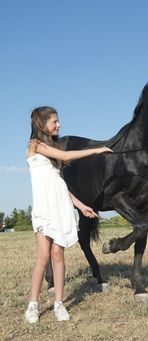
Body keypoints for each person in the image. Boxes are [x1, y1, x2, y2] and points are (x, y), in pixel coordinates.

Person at [25, 106, 112, 323]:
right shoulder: (36, 145)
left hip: (61, 205)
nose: (59, 125)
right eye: (55, 121)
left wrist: (81, 206)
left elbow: (59, 184)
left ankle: (59, 304)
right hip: (44, 207)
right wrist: (96, 150)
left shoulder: (51, 150)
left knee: (57, 254)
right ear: (41, 124)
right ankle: (33, 305)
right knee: (43, 255)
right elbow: (65, 154)